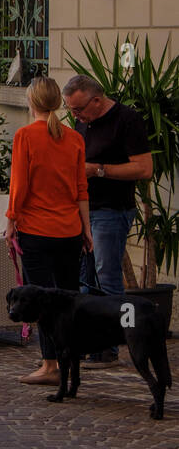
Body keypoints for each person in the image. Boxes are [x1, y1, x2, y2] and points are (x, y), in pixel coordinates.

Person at [4, 76, 92, 387]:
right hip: (69, 229)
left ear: (31, 102)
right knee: (68, 298)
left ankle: (50, 364)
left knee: (38, 301)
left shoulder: (25, 136)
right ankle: (70, 361)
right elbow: (81, 189)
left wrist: (11, 222)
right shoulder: (74, 138)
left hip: (36, 230)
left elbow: (19, 186)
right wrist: (87, 229)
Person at [63, 73, 153, 367]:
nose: (75, 116)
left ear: (97, 100)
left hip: (112, 211)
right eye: (72, 111)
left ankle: (116, 345)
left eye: (78, 110)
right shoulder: (82, 121)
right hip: (85, 210)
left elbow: (144, 169)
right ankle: (94, 343)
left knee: (107, 278)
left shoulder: (127, 120)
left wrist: (99, 170)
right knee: (86, 281)